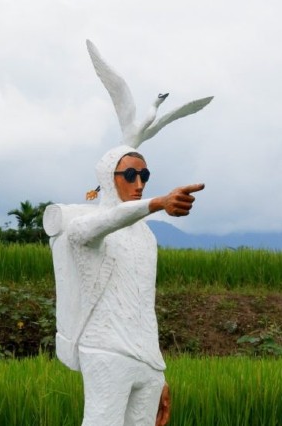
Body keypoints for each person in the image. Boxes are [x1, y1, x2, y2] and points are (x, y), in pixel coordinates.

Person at [45, 145, 204, 426]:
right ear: (109, 178)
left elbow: (144, 306)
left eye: (145, 175)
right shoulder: (85, 228)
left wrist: (158, 372)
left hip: (146, 360)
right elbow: (106, 221)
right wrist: (156, 203)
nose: (139, 184)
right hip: (106, 350)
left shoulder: (147, 237)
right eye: (130, 175)